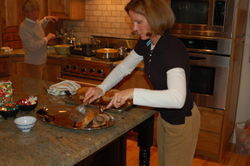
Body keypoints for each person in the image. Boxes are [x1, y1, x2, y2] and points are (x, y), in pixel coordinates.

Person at [83, 0, 200, 166]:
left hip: (182, 120)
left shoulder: (171, 48)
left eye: (139, 22)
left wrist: (132, 92)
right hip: (165, 116)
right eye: (133, 22)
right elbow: (124, 67)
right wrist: (101, 88)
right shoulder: (147, 42)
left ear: (155, 19)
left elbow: (177, 98)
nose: (134, 28)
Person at [19, 0, 58, 79]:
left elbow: (38, 28)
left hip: (42, 61)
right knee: (35, 89)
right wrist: (47, 38)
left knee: (43, 88)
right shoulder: (24, 27)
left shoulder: (34, 22)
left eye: (37, 10)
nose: (36, 13)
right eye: (33, 11)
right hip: (33, 63)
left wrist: (46, 19)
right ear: (26, 13)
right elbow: (32, 46)